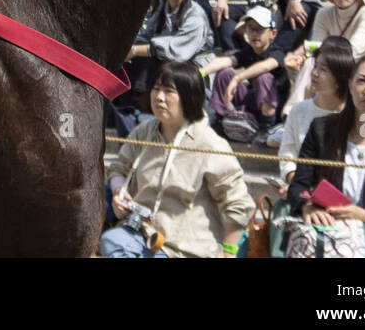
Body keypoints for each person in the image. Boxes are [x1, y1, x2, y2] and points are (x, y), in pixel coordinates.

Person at [102, 61, 255, 258]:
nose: (159, 97)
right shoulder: (144, 132)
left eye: (168, 91)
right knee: (111, 241)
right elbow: (119, 168)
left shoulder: (211, 145)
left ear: (189, 97)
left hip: (186, 249)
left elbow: (239, 204)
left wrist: (229, 252)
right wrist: (118, 191)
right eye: (155, 89)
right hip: (141, 236)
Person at [287, 53, 365, 246]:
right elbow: (298, 186)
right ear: (349, 86)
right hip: (323, 237)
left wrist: (364, 215)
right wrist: (307, 206)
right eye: (361, 81)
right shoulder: (321, 130)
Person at [126, 0, 212, 107]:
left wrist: (134, 50)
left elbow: (176, 51)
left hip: (193, 66)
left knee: (151, 63)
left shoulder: (195, 15)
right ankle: (128, 110)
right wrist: (129, 47)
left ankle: (142, 108)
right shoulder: (163, 4)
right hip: (166, 58)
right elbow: (147, 33)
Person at [203, 5, 294, 142]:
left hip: (273, 107)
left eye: (260, 29)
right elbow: (226, 60)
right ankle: (219, 121)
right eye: (250, 28)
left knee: (263, 77)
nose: (254, 34)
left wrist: (238, 78)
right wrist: (199, 73)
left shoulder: (278, 52)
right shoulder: (249, 52)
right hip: (252, 103)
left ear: (273, 34)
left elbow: (266, 66)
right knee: (225, 73)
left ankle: (266, 127)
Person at [277, 36, 353, 182]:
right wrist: (295, 183)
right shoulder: (298, 110)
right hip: (303, 191)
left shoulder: (361, 115)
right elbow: (287, 155)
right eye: (315, 66)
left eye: (323, 70)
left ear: (340, 78)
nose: (314, 73)